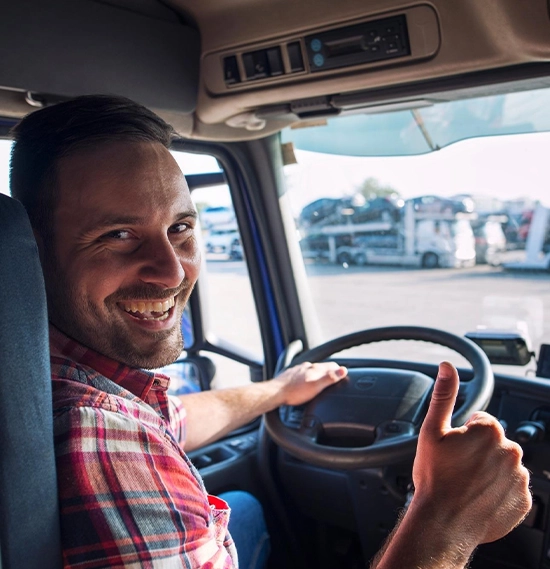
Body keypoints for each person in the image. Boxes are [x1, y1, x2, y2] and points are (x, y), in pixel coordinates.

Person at [9, 95, 531, 569]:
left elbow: (173, 418)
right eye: (118, 235)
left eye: (181, 229)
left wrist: (281, 389)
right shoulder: (100, 433)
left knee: (246, 510)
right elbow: (124, 429)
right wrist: (444, 517)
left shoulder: (38, 373)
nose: (173, 272)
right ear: (32, 250)